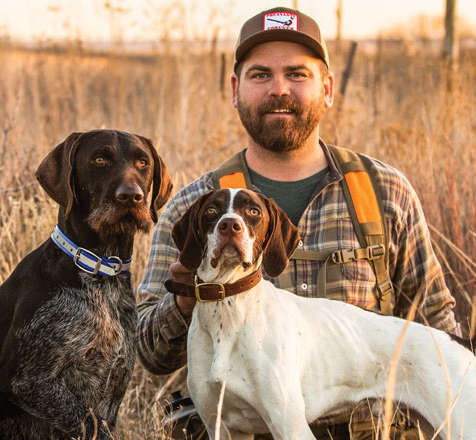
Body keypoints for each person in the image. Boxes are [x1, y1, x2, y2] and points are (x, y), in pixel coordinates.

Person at [136, 6, 459, 439]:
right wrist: (187, 298)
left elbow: (435, 321)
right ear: (235, 89)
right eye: (260, 75)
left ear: (327, 88)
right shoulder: (194, 207)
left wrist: (470, 380)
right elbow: (148, 350)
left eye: (297, 74)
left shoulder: (384, 192)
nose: (279, 89)